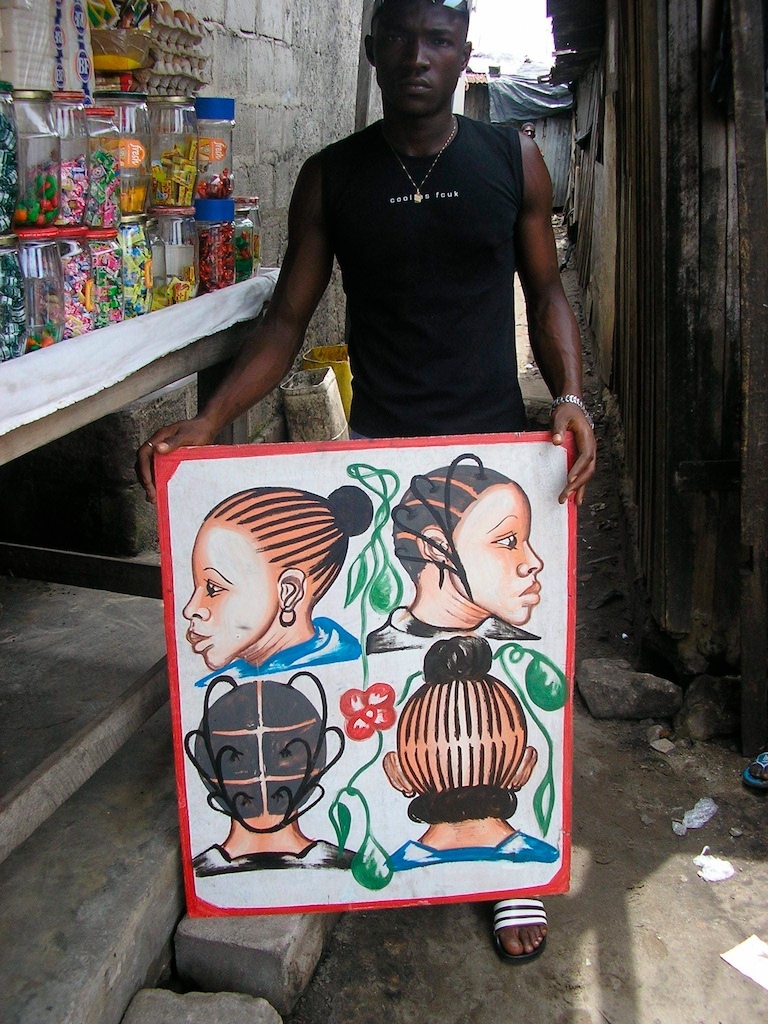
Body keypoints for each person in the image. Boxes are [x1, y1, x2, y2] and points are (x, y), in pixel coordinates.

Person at [137, 0, 596, 963]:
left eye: (439, 40)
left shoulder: (513, 161)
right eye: (402, 38)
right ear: (373, 47)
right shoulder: (331, 178)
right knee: (387, 677)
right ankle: (383, 843)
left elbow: (547, 290)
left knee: (509, 676)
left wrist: (572, 396)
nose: (419, 57)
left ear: (464, 53)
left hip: (494, 467)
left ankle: (512, 879)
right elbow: (286, 322)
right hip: (385, 469)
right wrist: (211, 420)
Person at [383, 635, 559, 880]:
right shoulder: (547, 863)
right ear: (524, 767)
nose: (461, 760)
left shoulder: (391, 872)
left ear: (397, 774)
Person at [184, 484, 373, 680]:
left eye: (214, 588)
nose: (190, 609)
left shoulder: (344, 671)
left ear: (289, 592)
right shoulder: (215, 685)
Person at [367, 454, 543, 653]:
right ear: (437, 546)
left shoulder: (524, 650)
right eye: (507, 542)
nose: (534, 562)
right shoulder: (374, 655)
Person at [186, 672, 353, 874]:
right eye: (236, 758)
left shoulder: (198, 872)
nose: (262, 776)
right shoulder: (352, 867)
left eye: (285, 754)